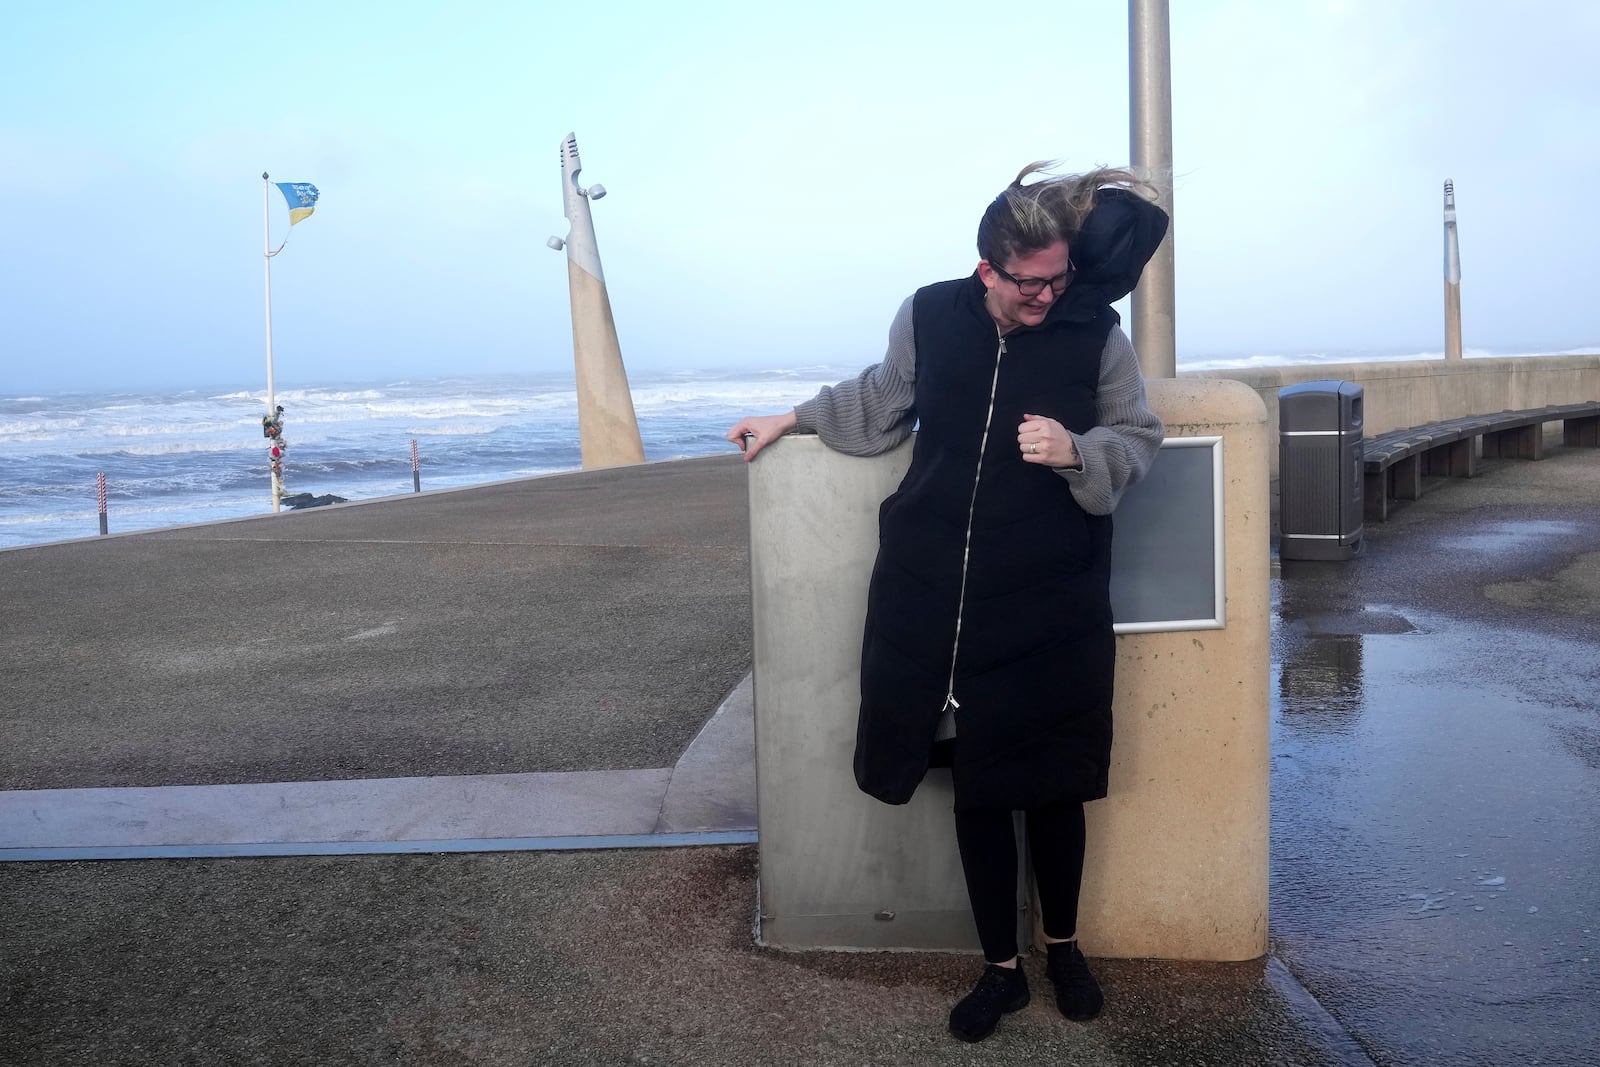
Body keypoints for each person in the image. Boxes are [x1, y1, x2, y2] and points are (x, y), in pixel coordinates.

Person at [727, 162, 1168, 1043]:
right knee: (978, 787)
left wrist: (1077, 450)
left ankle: (1065, 947)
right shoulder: (931, 314)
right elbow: (884, 399)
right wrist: (793, 418)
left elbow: (1138, 438)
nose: (1048, 295)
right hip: (942, 592)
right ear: (988, 271)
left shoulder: (1096, 335)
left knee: (1052, 787)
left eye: (1058, 278)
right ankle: (1000, 969)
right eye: (1030, 283)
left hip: (1050, 595)